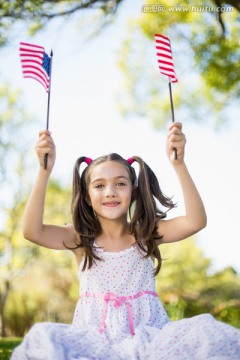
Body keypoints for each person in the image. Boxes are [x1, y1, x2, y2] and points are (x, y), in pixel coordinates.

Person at [12, 122, 240, 359]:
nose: (110, 191)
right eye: (99, 185)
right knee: (42, 337)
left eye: (120, 183)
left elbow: (195, 221)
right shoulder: (80, 238)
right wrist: (43, 172)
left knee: (205, 333)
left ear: (133, 190)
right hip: (94, 341)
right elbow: (32, 231)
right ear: (88, 197)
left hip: (148, 339)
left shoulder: (146, 233)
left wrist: (179, 165)